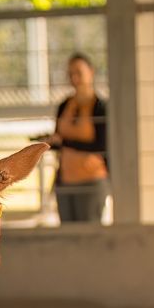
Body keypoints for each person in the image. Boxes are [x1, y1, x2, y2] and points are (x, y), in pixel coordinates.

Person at [46, 53, 109, 224]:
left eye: (79, 72)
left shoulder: (100, 107)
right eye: (71, 74)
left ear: (91, 72)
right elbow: (59, 141)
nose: (74, 78)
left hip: (92, 180)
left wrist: (65, 143)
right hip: (65, 182)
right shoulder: (64, 105)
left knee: (90, 232)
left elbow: (101, 145)